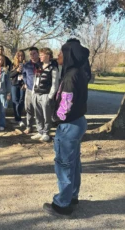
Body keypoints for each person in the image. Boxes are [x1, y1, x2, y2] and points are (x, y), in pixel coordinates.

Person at [43, 39, 89, 217]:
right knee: (74, 163)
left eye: (61, 53)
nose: (58, 56)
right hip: (78, 122)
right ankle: (72, 196)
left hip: (69, 126)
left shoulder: (70, 76)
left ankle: (62, 204)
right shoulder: (80, 72)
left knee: (64, 165)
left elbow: (66, 105)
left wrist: (55, 119)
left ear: (68, 55)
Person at [31, 48, 59, 142]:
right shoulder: (38, 67)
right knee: (38, 114)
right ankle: (40, 131)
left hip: (46, 95)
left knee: (47, 116)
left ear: (48, 56)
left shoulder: (53, 68)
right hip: (36, 94)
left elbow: (55, 84)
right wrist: (33, 93)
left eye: (42, 55)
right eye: (40, 55)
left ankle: (46, 133)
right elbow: (35, 81)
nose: (40, 57)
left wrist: (50, 96)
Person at [22, 47, 40, 134]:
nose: (32, 56)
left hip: (40, 90)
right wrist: (25, 82)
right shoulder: (27, 65)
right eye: (31, 54)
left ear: (38, 54)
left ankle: (40, 128)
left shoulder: (43, 64)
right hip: (29, 89)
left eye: (34, 53)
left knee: (39, 110)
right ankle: (29, 127)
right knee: (28, 109)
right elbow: (24, 75)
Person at [9, 50, 26, 127]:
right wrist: (17, 70)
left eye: (22, 55)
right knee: (15, 101)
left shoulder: (26, 64)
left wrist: (25, 83)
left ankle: (17, 117)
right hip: (14, 84)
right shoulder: (12, 64)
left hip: (22, 85)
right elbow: (10, 75)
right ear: (16, 56)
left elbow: (28, 75)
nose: (20, 57)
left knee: (21, 101)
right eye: (19, 56)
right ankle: (18, 118)